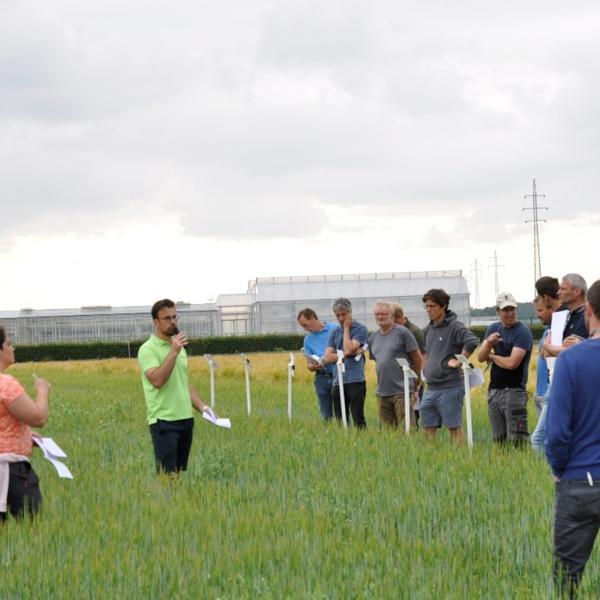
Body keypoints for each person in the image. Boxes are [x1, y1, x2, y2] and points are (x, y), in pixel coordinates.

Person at [545, 279, 600, 597]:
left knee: (567, 579)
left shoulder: (571, 359)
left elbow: (558, 431)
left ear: (589, 310)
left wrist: (558, 467)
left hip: (580, 480)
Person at [138, 299, 215, 474]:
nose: (173, 322)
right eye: (167, 318)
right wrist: (173, 352)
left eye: (175, 317)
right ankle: (162, 502)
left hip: (186, 419)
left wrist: (203, 407)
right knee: (166, 476)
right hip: (164, 421)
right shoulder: (148, 349)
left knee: (179, 474)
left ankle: (174, 502)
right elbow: (157, 381)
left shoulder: (180, 350)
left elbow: (183, 383)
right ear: (156, 322)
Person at [0, 326, 51, 521]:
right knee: (32, 527)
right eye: (8, 344)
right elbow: (38, 417)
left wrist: (24, 437)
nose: (12, 348)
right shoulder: (5, 384)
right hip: (11, 470)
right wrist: (42, 390)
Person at [420, 289, 479, 442]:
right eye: (426, 306)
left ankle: (459, 459)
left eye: (432, 306)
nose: (428, 310)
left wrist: (460, 361)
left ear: (443, 306)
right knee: (427, 428)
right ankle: (428, 459)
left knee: (454, 428)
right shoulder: (428, 329)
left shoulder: (455, 326)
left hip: (450, 387)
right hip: (430, 388)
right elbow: (426, 352)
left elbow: (472, 341)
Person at [477, 292, 533, 446]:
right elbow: (480, 357)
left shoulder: (523, 332)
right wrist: (488, 344)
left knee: (518, 440)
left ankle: (521, 467)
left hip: (515, 392)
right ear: (498, 311)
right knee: (499, 440)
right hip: (494, 391)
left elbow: (511, 364)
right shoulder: (493, 328)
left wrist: (492, 357)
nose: (510, 314)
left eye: (512, 309)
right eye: (505, 310)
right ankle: (503, 466)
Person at [368, 301, 422, 429]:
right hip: (382, 392)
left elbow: (417, 359)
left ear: (391, 315)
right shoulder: (373, 338)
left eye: (384, 314)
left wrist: (415, 382)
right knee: (388, 432)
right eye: (377, 314)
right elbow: (379, 361)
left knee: (407, 429)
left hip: (402, 390)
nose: (380, 317)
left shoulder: (403, 333)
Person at [324, 298, 368, 429]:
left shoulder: (361, 329)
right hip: (338, 381)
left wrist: (347, 329)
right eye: (338, 315)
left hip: (355, 380)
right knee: (340, 418)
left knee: (358, 418)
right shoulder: (334, 331)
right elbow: (327, 357)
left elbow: (348, 348)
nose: (341, 318)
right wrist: (349, 354)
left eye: (344, 314)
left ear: (350, 312)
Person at [297, 308, 339, 421]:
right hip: (321, 378)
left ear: (312, 318)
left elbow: (344, 351)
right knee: (326, 414)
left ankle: (345, 434)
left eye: (305, 325)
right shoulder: (308, 340)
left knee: (342, 412)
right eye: (302, 327)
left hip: (338, 376)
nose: (305, 329)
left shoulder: (335, 328)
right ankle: (329, 435)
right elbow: (309, 364)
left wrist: (331, 357)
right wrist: (314, 366)